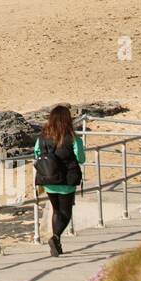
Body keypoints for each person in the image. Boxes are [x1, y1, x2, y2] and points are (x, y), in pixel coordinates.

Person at [33, 104, 85, 257]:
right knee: (66, 212)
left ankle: (57, 242)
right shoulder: (73, 138)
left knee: (56, 210)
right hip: (67, 179)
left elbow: (37, 154)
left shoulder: (42, 137)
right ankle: (55, 238)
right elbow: (81, 158)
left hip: (48, 178)